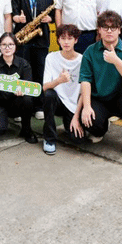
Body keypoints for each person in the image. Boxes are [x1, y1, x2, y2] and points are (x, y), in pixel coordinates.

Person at [75, 10, 122, 161]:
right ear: (99, 30)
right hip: (99, 98)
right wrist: (87, 107)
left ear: (119, 30)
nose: (109, 31)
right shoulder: (90, 51)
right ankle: (101, 128)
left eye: (113, 27)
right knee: (91, 122)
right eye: (105, 27)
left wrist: (116, 60)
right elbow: (85, 80)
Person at [10, 0, 54, 119]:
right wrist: (18, 18)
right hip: (23, 40)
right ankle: (20, 107)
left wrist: (50, 18)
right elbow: (13, 14)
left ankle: (39, 106)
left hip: (41, 40)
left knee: (39, 72)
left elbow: (54, 15)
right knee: (21, 73)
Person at [0, 32, 37, 144]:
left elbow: (29, 87)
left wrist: (22, 91)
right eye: (4, 45)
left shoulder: (24, 64)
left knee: (27, 99)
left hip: (16, 102)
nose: (7, 48)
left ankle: (26, 129)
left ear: (15, 46)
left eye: (11, 44)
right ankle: (1, 119)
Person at [41, 24, 85, 155]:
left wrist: (76, 117)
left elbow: (84, 91)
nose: (66, 42)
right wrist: (59, 80)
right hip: (57, 101)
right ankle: (49, 139)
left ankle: (69, 123)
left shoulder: (82, 60)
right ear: (58, 40)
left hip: (74, 104)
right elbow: (44, 87)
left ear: (76, 40)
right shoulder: (51, 57)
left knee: (77, 140)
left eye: (70, 38)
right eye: (63, 38)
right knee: (49, 95)